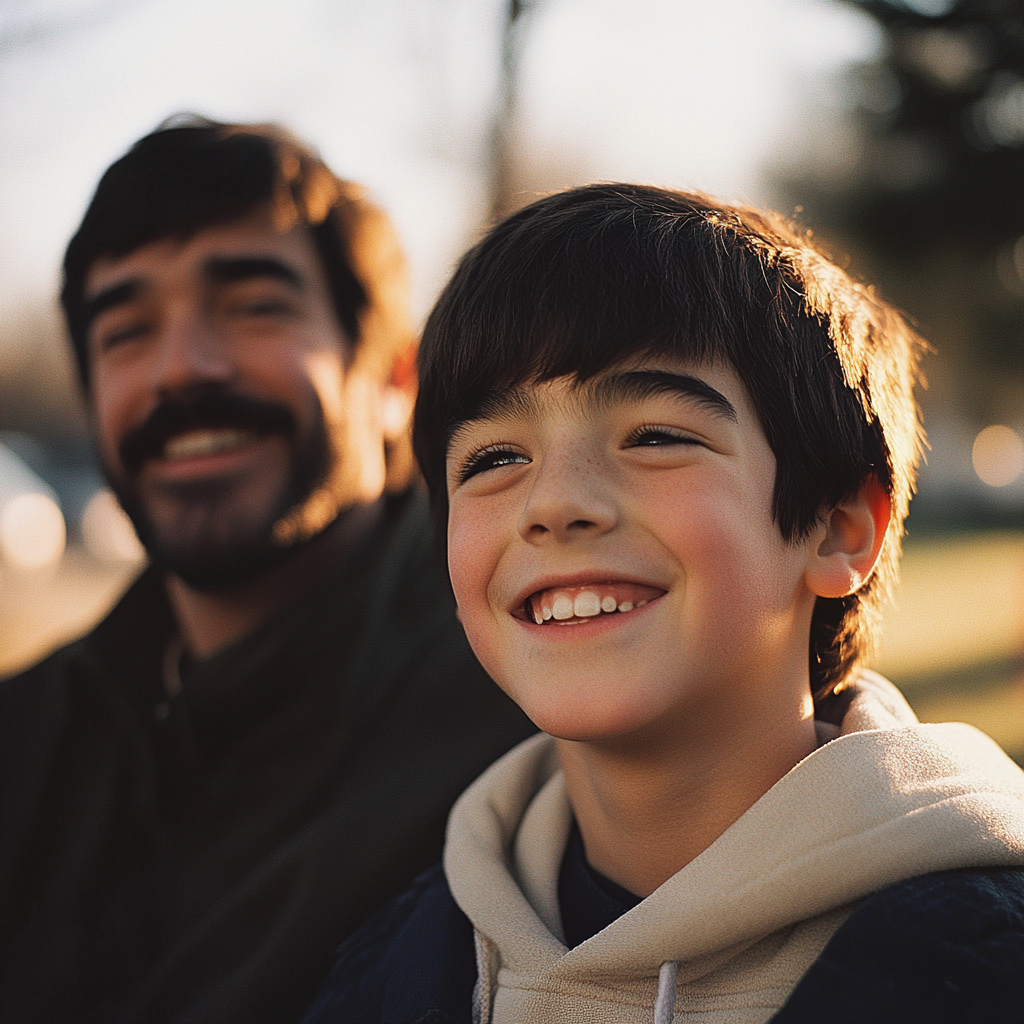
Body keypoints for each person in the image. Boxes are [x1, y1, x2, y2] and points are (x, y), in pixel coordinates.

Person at [303, 184, 1024, 1024]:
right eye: (495, 457)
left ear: (837, 531)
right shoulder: (389, 970)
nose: (555, 502)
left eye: (654, 437)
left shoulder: (988, 969)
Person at [0, 117, 534, 1024]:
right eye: (126, 330)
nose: (182, 368)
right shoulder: (22, 739)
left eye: (254, 306)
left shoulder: (538, 723)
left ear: (396, 380)